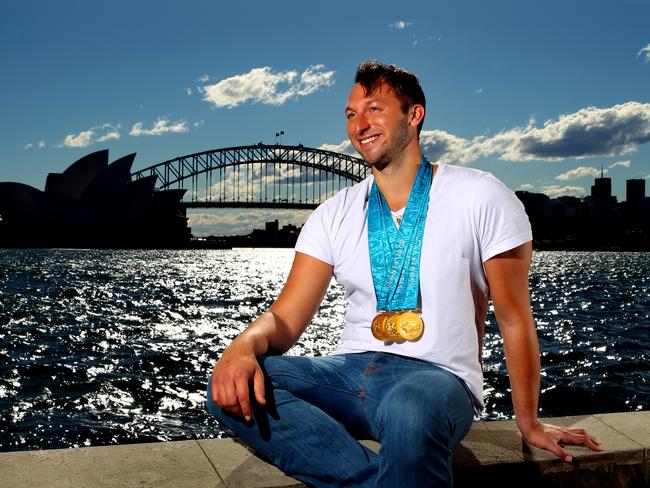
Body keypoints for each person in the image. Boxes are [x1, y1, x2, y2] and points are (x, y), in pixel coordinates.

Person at [207, 60, 600, 487]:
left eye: (374, 109)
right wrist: (243, 346)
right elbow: (284, 319)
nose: (360, 125)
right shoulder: (332, 213)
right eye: (351, 114)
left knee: (410, 410)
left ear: (414, 115)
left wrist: (529, 423)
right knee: (237, 381)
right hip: (348, 370)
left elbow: (513, 318)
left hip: (437, 377)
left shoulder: (481, 194)